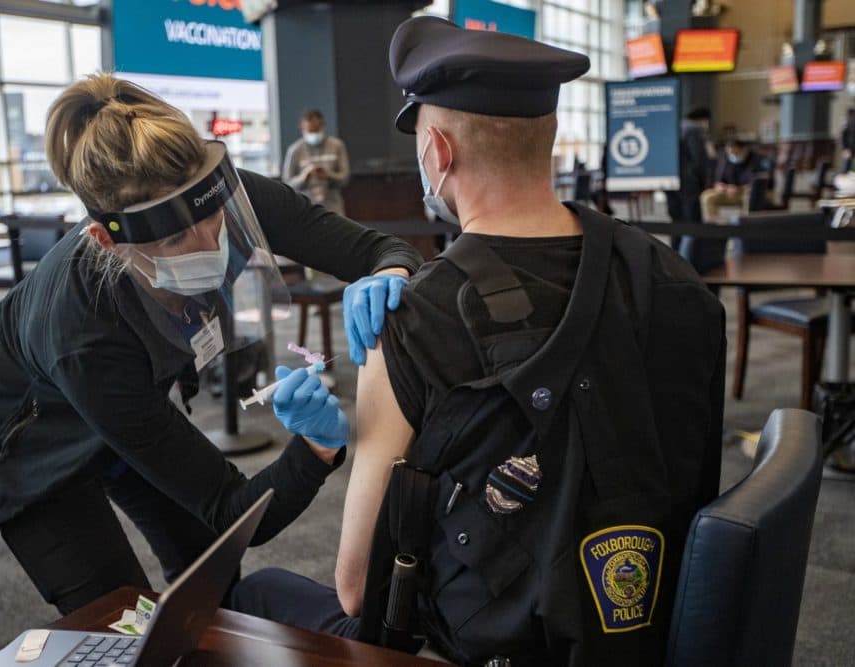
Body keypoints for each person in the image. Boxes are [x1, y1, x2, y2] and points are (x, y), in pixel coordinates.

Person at [232, 17, 726, 666]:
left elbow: (357, 588)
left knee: (258, 591)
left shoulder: (415, 320)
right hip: (649, 621)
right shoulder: (674, 279)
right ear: (545, 138)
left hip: (495, 642)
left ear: (438, 151)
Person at [0, 74, 421, 615]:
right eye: (174, 239)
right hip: (21, 438)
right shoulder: (82, 336)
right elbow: (233, 509)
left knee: (207, 568)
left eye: (212, 221)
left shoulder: (222, 191)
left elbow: (381, 248)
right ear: (106, 239)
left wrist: (392, 273)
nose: (208, 245)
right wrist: (315, 450)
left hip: (121, 400)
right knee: (117, 618)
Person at [282, 109, 351, 214]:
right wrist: (304, 177)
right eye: (310, 131)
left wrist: (328, 175)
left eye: (316, 130)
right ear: (302, 129)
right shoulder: (295, 150)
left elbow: (345, 178)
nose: (313, 134)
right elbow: (287, 184)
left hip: (333, 207)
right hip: (305, 208)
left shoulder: (337, 146)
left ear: (322, 126)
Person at [666, 106, 713, 224]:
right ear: (704, 119)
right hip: (689, 179)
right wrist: (705, 182)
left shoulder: (674, 126)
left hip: (670, 177)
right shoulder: (694, 129)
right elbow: (698, 158)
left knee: (676, 217)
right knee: (691, 218)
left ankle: (676, 242)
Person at [699, 139, 765, 222]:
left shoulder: (756, 161)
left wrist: (739, 189)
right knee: (706, 197)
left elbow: (757, 184)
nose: (732, 156)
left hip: (744, 193)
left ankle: (747, 228)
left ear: (744, 149)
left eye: (735, 153)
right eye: (730, 153)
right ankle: (713, 228)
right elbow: (719, 180)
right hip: (728, 192)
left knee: (749, 197)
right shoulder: (727, 159)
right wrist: (721, 186)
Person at [841, 108, 854, 173]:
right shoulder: (848, 123)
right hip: (849, 147)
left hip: (850, 146)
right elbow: (844, 135)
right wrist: (845, 148)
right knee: (847, 164)